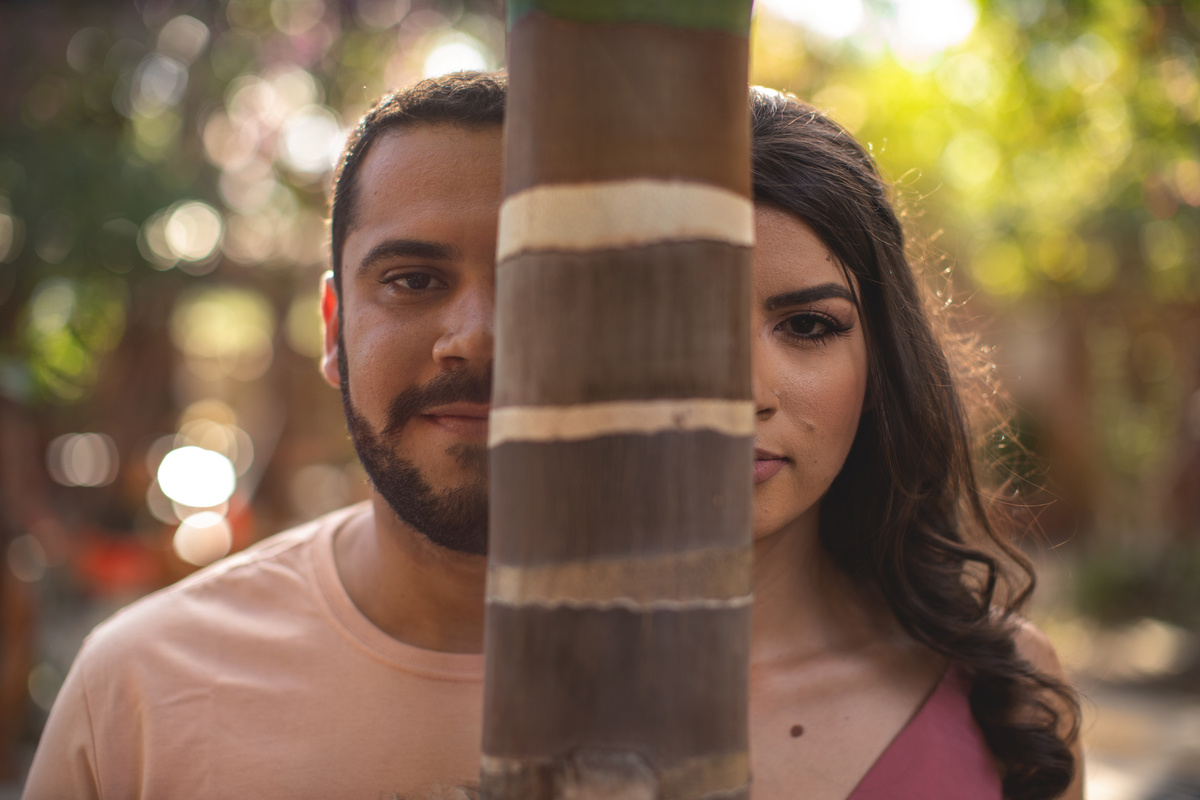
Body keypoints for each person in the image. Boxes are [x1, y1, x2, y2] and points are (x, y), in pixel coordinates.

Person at [23, 72, 1081, 799]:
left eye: (808, 324)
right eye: (413, 278)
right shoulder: (148, 690)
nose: (740, 387)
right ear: (334, 326)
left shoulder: (1004, 695)